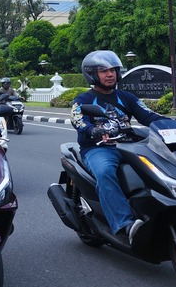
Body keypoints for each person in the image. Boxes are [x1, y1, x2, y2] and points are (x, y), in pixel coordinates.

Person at [70, 50, 165, 244]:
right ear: (92, 74)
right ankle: (124, 224)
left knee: (159, 168)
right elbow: (78, 120)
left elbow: (148, 116)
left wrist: (173, 125)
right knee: (105, 172)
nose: (110, 74)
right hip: (99, 148)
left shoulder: (126, 97)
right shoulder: (83, 100)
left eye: (113, 70)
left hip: (129, 146)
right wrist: (92, 130)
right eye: (103, 70)